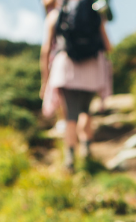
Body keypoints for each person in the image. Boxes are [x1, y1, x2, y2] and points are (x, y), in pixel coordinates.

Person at [41, 0, 113, 170]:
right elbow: (108, 46)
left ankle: (70, 159)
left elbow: (45, 50)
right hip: (91, 69)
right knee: (86, 111)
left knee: (70, 116)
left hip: (66, 68)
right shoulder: (95, 11)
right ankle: (87, 151)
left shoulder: (55, 15)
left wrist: (45, 81)